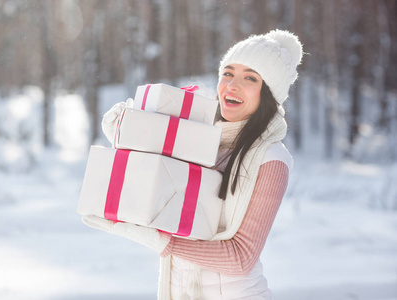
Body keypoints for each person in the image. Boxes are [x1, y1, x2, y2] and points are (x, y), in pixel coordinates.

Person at [83, 29, 303, 299]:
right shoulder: (197, 137)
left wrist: (164, 242)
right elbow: (158, 178)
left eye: (250, 78)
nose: (232, 85)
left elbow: (241, 258)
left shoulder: (271, 160)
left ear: (267, 94)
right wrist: (126, 133)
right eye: (228, 73)